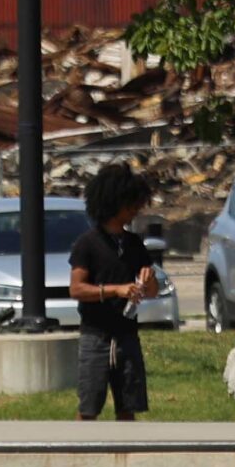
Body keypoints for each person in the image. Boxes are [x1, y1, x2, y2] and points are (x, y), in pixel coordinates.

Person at [69, 163, 160, 422]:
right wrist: (115, 290)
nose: (135, 211)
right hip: (95, 336)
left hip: (127, 334)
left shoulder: (134, 244)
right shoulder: (87, 243)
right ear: (113, 203)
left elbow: (152, 291)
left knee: (128, 406)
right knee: (89, 407)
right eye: (131, 205)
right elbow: (76, 289)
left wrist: (148, 280)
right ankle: (79, 452)